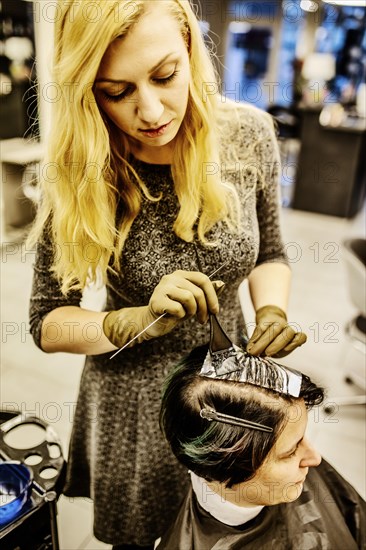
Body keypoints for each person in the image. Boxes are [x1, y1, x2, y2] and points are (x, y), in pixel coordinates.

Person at [28, 0, 306, 547]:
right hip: (133, 406)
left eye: (164, 75)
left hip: (229, 394)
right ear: (88, 90)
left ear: (190, 51)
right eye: (117, 91)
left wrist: (271, 309)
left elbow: (271, 251)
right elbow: (44, 322)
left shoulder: (248, 135)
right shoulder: (83, 168)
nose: (151, 111)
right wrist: (131, 320)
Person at [158, 344, 366, 549]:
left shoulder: (294, 467)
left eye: (302, 438)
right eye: (290, 451)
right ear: (227, 467)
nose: (315, 459)